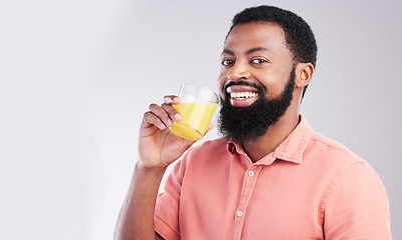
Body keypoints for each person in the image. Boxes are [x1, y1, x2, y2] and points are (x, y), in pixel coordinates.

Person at [114, 5, 391, 240]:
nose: (235, 73)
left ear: (303, 74)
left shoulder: (346, 177)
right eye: (227, 60)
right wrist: (149, 168)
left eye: (258, 60)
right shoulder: (193, 163)